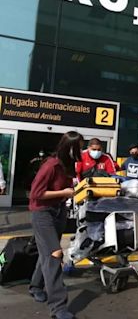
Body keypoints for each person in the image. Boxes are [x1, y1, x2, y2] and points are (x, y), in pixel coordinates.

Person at [28, 131, 83, 319]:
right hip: (42, 213)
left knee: (46, 253)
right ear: (70, 148)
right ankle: (58, 308)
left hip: (58, 212)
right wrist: (64, 193)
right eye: (80, 147)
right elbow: (36, 194)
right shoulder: (50, 166)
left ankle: (35, 286)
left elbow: (64, 190)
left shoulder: (68, 166)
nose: (82, 151)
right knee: (55, 254)